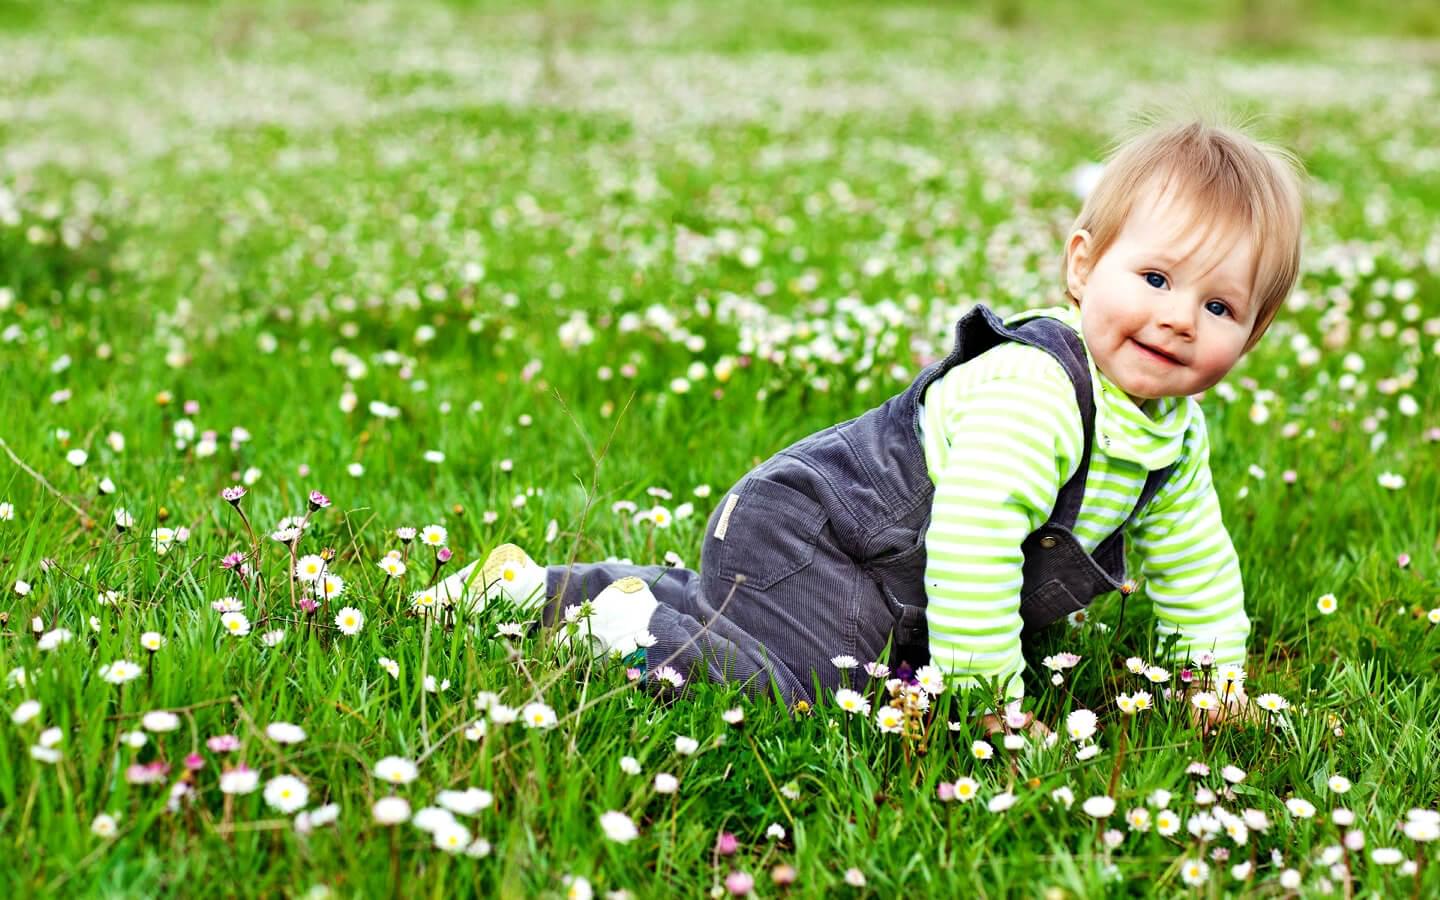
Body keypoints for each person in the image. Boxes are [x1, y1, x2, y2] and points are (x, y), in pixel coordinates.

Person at [429, 115, 1305, 730]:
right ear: (1084, 265)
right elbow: (969, 538)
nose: (1180, 317)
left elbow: (1197, 565)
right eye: (1155, 279)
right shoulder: (1038, 391)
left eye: (1220, 304)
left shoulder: (1173, 436)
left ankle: (561, 586)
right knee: (783, 691)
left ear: (1253, 334)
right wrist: (986, 701)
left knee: (839, 666)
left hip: (891, 584)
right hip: (818, 536)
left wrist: (1216, 682)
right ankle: (606, 621)